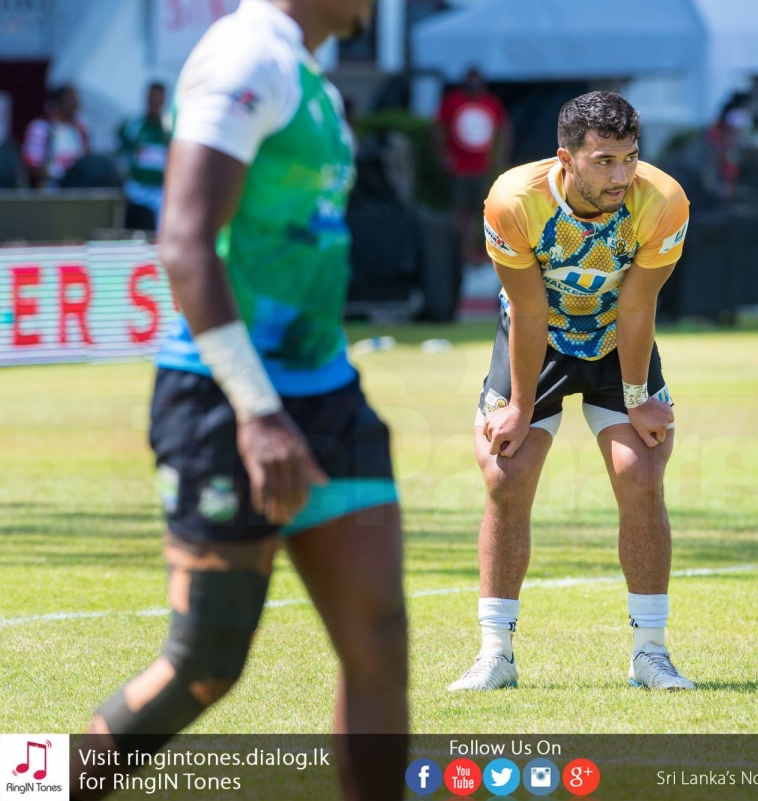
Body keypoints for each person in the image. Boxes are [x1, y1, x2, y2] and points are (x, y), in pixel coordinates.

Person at [70, 1, 406, 799]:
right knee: (205, 662)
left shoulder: (306, 74)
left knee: (379, 642)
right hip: (227, 399)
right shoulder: (246, 55)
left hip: (328, 395)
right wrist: (257, 411)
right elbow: (184, 242)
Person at [448, 91, 694, 692]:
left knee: (642, 471)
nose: (621, 176)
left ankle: (651, 654)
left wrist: (636, 397)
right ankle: (495, 654)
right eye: (604, 161)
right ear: (566, 157)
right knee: (505, 474)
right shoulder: (514, 201)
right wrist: (520, 408)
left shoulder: (663, 201)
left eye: (630, 158)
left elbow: (636, 306)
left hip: (617, 336)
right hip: (541, 335)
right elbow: (529, 312)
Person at [434, 67, 511, 264]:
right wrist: (443, 156)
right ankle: (456, 251)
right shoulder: (453, 102)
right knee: (459, 210)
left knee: (480, 211)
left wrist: (498, 159)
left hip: (482, 168)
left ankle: (471, 251)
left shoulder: (491, 103)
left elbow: (503, 130)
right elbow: (438, 129)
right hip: (458, 168)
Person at [116, 82, 171, 225]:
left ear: (164, 101)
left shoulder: (170, 129)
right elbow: (116, 150)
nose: (154, 102)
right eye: (152, 97)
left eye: (158, 98)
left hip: (160, 192)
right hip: (135, 189)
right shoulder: (132, 125)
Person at [21, 84, 89, 189]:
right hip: (49, 191)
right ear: (60, 102)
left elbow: (86, 160)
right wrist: (59, 177)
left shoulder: (79, 129)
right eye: (72, 99)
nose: (77, 105)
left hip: (76, 191)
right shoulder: (41, 128)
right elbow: (32, 167)